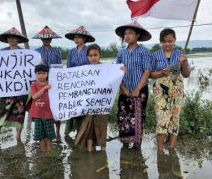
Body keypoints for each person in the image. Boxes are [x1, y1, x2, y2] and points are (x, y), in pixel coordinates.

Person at [75, 44, 125, 152]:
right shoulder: (83, 70)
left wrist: (120, 72)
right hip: (88, 104)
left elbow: (113, 80)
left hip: (102, 104)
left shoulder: (106, 69)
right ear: (87, 57)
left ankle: (103, 148)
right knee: (88, 126)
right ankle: (89, 149)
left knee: (101, 125)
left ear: (100, 55)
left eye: (95, 55)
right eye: (91, 55)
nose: (93, 57)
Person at [151, 28, 190, 151]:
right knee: (162, 117)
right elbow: (150, 74)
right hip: (160, 89)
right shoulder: (154, 55)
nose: (167, 44)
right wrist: (162, 73)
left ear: (174, 40)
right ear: (160, 42)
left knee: (175, 116)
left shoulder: (180, 54)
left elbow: (187, 74)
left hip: (177, 88)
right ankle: (160, 150)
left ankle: (172, 148)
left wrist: (183, 63)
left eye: (170, 41)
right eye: (164, 41)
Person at [0, 27, 29, 144]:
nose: (12, 39)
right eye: (10, 37)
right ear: (7, 39)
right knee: (1, 112)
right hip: (6, 89)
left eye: (14, 37)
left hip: (21, 89)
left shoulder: (25, 53)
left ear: (18, 39)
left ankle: (18, 136)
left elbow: (31, 69)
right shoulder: (1, 53)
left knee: (20, 113)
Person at [115, 21, 152, 149]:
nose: (127, 36)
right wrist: (122, 88)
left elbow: (147, 71)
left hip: (140, 90)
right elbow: (116, 72)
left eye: (130, 33)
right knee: (123, 116)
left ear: (137, 35)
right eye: (125, 34)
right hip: (124, 90)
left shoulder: (144, 52)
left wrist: (137, 88)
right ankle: (125, 143)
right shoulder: (121, 53)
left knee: (138, 116)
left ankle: (137, 145)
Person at [32, 25, 62, 140]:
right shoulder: (36, 52)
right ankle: (43, 133)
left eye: (48, 38)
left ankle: (57, 131)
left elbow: (59, 66)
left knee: (55, 106)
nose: (46, 40)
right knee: (43, 106)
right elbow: (33, 68)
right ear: (41, 39)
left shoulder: (56, 51)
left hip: (53, 83)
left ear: (51, 39)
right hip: (41, 83)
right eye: (44, 38)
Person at [64, 26, 95, 135]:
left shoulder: (89, 51)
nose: (76, 39)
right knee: (75, 106)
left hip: (86, 84)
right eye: (75, 37)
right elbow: (68, 68)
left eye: (79, 37)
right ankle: (77, 130)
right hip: (74, 84)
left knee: (85, 106)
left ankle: (85, 131)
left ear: (84, 39)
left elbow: (93, 66)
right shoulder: (71, 52)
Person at [30, 64, 56, 152]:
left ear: (47, 74)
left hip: (48, 113)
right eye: (39, 73)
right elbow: (34, 97)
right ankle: (43, 151)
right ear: (35, 74)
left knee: (49, 135)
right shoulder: (34, 85)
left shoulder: (51, 84)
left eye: (43, 73)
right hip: (38, 114)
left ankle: (50, 151)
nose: (41, 75)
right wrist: (44, 88)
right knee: (40, 135)